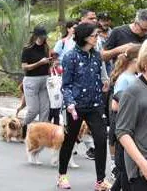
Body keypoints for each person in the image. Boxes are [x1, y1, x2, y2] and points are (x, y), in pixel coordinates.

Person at [57, 23, 111, 190]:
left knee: (101, 140)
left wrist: (105, 81)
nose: (98, 38)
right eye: (95, 35)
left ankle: (100, 181)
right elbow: (65, 85)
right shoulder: (70, 57)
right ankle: (62, 175)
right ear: (86, 37)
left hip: (95, 105)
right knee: (70, 140)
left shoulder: (96, 56)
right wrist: (70, 103)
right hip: (76, 106)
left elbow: (102, 75)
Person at [116, 38, 147, 191]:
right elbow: (123, 132)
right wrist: (144, 165)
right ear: (146, 61)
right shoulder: (133, 91)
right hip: (143, 171)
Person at [110, 44, 140, 191]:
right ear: (136, 60)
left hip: (134, 125)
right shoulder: (124, 79)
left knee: (125, 173)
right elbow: (115, 105)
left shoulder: (136, 77)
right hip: (123, 124)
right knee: (124, 170)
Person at [20, 26, 51, 137]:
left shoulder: (46, 47)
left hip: (45, 79)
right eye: (41, 36)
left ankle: (41, 133)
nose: (43, 38)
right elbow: (24, 67)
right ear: (36, 36)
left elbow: (48, 64)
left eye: (44, 36)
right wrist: (40, 63)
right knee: (33, 110)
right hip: (31, 80)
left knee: (45, 110)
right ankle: (21, 124)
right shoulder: (28, 49)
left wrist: (50, 64)